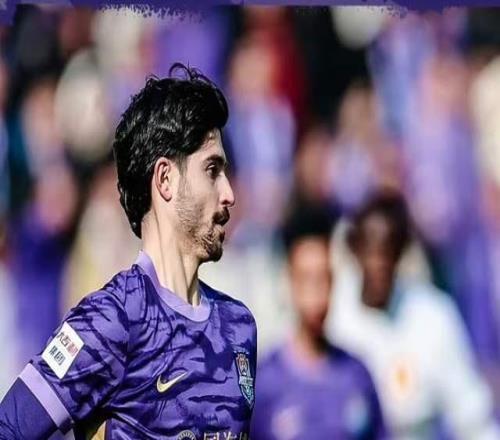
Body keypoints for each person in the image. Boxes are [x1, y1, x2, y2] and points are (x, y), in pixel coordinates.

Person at [0, 63, 257, 440]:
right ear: (166, 179)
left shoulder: (239, 326)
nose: (229, 193)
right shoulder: (112, 319)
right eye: (212, 170)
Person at [328, 192, 500, 440]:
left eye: (388, 250)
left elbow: (471, 415)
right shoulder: (332, 317)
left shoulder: (434, 315)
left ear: (401, 252)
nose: (379, 262)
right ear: (354, 249)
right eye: (370, 249)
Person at [251, 203, 387, 440]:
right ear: (290, 281)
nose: (317, 294)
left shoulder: (356, 375)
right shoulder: (264, 382)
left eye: (324, 279)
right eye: (307, 279)